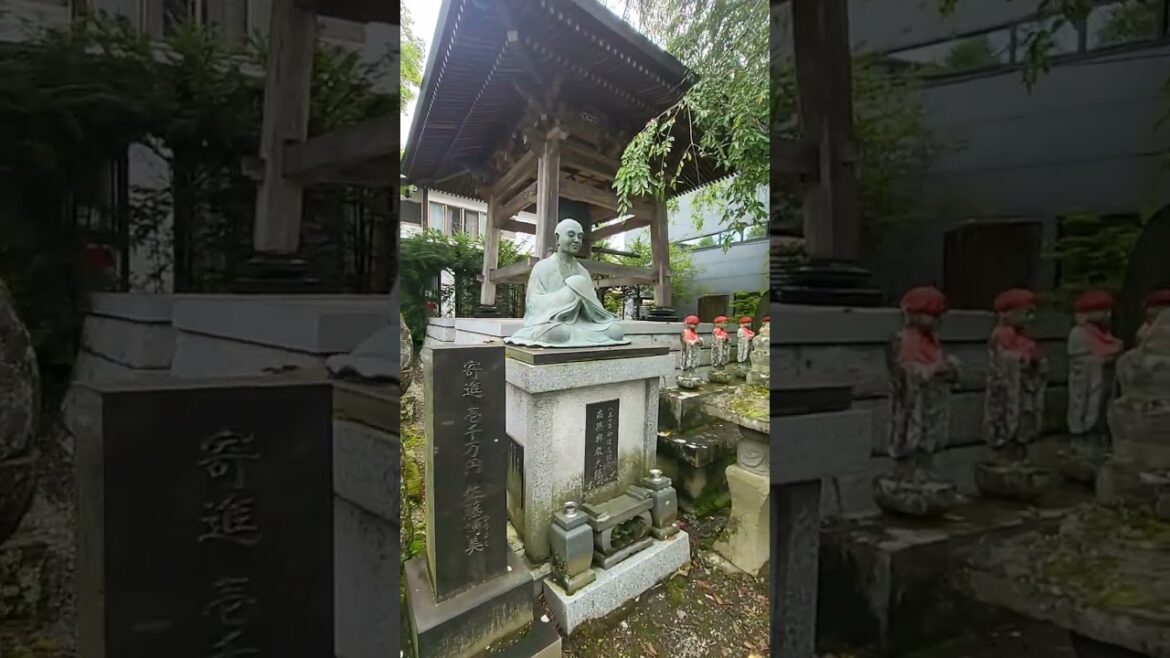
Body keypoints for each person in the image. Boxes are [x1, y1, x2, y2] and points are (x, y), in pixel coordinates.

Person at [505, 219, 628, 347]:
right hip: (552, 324)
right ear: (558, 238)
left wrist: (584, 302)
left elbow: (594, 308)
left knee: (615, 332)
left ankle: (576, 336)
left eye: (579, 237)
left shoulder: (582, 271)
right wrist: (569, 294)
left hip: (581, 324)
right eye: (571, 235)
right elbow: (533, 305)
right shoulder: (542, 267)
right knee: (555, 334)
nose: (576, 240)